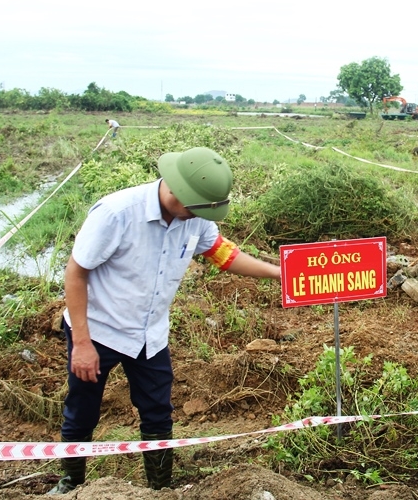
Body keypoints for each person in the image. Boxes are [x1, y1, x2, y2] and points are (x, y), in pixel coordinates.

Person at [48, 147, 281, 494]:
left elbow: (225, 255)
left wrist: (278, 273)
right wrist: (81, 343)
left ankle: (161, 487)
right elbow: (76, 273)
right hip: (99, 330)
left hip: (149, 335)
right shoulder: (116, 213)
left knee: (158, 412)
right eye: (196, 208)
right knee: (82, 410)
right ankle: (71, 484)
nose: (200, 216)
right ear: (175, 191)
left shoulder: (196, 216)